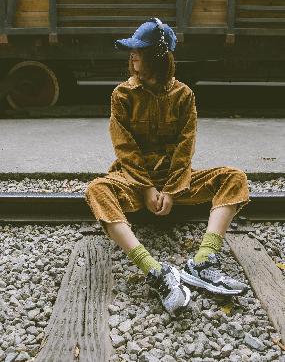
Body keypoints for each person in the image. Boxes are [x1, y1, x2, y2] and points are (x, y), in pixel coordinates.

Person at [85, 17, 251, 317]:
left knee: (234, 178)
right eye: (132, 51)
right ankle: (156, 271)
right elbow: (125, 149)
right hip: (135, 183)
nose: (133, 56)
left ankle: (202, 262)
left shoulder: (183, 95)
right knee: (97, 190)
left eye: (140, 51)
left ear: (158, 58)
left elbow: (184, 148)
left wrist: (172, 190)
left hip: (176, 181)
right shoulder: (122, 94)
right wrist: (147, 188)